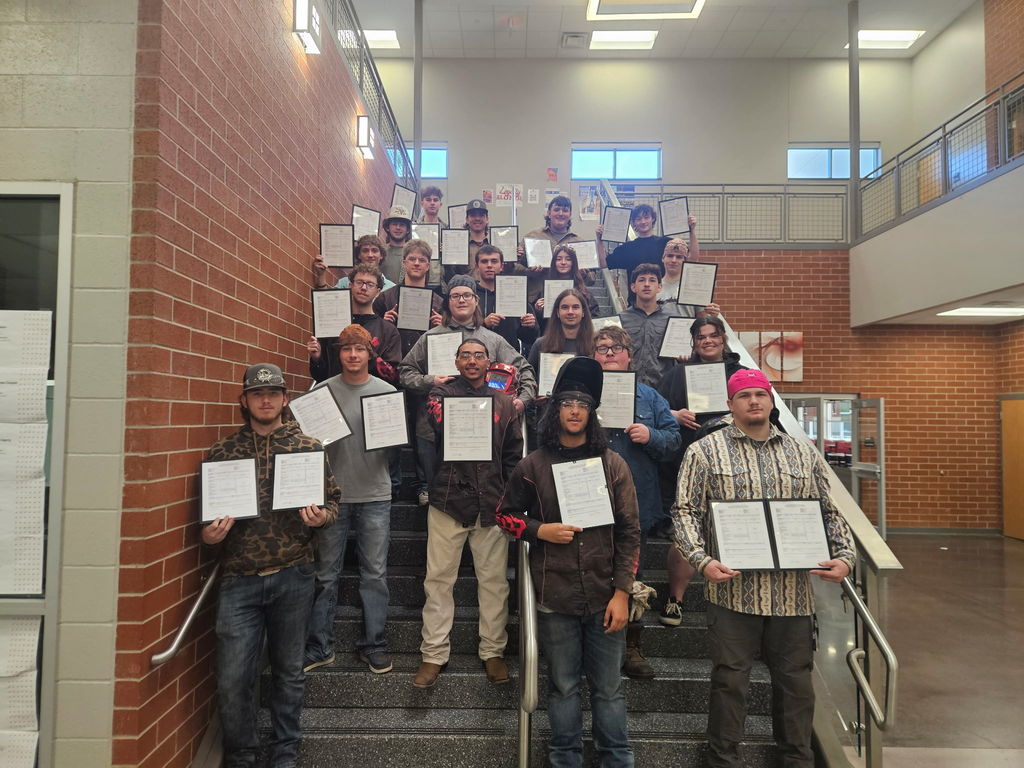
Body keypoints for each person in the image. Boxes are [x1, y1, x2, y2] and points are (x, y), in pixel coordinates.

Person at [673, 368, 857, 768]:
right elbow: (684, 511)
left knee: (795, 684)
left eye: (760, 394)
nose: (753, 401)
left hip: (792, 595)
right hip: (733, 591)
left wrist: (844, 555)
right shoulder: (704, 452)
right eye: (744, 396)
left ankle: (797, 759)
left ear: (771, 401)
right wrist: (701, 560)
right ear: (730, 404)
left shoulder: (801, 452)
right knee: (730, 681)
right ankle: (722, 758)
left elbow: (829, 510)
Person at [496, 356, 640, 768]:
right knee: (561, 687)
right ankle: (564, 758)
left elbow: (630, 533)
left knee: (609, 689)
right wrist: (539, 531)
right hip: (554, 596)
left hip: (603, 596)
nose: (575, 409)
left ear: (592, 412)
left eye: (582, 403)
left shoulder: (613, 465)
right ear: (555, 410)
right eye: (567, 402)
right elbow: (505, 515)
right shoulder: (532, 465)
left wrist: (622, 593)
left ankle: (616, 759)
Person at [201, 363, 340, 768]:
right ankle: (242, 753)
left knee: (289, 670)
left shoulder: (308, 447)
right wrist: (210, 537)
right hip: (238, 579)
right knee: (232, 678)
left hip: (293, 574)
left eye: (274, 393)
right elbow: (207, 522)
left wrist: (322, 519)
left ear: (285, 399)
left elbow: (333, 502)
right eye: (258, 394)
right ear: (244, 401)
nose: (266, 400)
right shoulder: (223, 452)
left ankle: (285, 751)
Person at [413, 339, 524, 688]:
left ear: (489, 361)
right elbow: (432, 438)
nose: (472, 361)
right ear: (456, 361)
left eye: (479, 355)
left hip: (491, 502)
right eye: (465, 355)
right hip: (449, 500)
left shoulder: (505, 403)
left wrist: (510, 497)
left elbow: (512, 455)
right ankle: (433, 654)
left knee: (494, 583)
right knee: (438, 581)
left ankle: (493, 652)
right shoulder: (440, 396)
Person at [399, 274, 537, 521]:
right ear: (448, 302)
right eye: (455, 296)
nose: (461, 300)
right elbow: (405, 372)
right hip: (434, 433)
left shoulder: (493, 340)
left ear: (476, 300)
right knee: (440, 500)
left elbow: (524, 369)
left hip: (485, 435)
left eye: (466, 295)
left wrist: (522, 400)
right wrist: (430, 380)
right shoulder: (430, 337)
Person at [304, 325, 395, 676]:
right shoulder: (321, 394)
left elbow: (393, 449)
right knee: (326, 575)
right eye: (346, 350)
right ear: (338, 354)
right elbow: (308, 447)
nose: (353, 355)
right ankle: (320, 646)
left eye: (359, 349)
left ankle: (374, 644)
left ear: (369, 353)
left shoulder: (386, 393)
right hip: (332, 500)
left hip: (375, 494)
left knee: (375, 574)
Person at [592, 325, 680, 679]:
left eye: (616, 347)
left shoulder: (650, 397)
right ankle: (591, 646)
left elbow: (673, 441)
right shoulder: (580, 396)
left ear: (629, 355)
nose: (609, 353)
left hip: (636, 504)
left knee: (633, 577)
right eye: (602, 348)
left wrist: (651, 435)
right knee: (588, 575)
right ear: (593, 356)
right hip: (589, 503)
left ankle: (631, 646)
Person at [654, 315, 743, 627]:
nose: (707, 341)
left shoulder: (742, 374)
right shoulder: (677, 373)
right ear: (693, 342)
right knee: (685, 530)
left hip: (732, 465)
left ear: (722, 338)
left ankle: (733, 604)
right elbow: (655, 407)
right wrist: (673, 414)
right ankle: (676, 600)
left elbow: (763, 411)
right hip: (685, 462)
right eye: (701, 336)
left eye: (713, 335)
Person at [373, 239, 445, 506]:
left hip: (424, 375)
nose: (416, 263)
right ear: (404, 264)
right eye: (412, 259)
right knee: (391, 430)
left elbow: (450, 337)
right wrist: (384, 322)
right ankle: (391, 484)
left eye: (422, 260)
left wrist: (441, 323)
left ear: (428, 266)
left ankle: (424, 485)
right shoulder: (386, 298)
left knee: (423, 432)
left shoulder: (438, 300)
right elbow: (372, 330)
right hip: (391, 372)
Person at [617, 263, 680, 389]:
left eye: (652, 280)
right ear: (633, 287)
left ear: (659, 287)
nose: (646, 284)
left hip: (663, 388)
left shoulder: (673, 320)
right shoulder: (620, 320)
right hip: (629, 387)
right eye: (641, 280)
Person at [596, 203, 670, 305]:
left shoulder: (665, 244)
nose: (643, 221)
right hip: (636, 305)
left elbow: (691, 258)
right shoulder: (627, 248)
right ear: (633, 222)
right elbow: (604, 264)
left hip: (662, 303)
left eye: (646, 217)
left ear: (652, 219)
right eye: (638, 219)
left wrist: (692, 231)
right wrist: (599, 241)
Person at [474, 244, 539, 353]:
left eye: (494, 261)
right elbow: (463, 329)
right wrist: (484, 323)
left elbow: (530, 338)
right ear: (477, 266)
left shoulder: (516, 293)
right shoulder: (469, 295)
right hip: (477, 356)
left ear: (502, 266)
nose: (489, 265)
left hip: (509, 357)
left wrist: (529, 326)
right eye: (484, 261)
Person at [518, 195, 582, 304]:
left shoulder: (579, 242)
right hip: (535, 300)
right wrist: (529, 272)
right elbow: (514, 267)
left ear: (570, 215)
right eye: (556, 209)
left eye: (565, 210)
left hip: (568, 302)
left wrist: (583, 274)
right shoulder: (532, 236)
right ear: (549, 213)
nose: (560, 213)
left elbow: (592, 279)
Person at [532, 244, 599, 331]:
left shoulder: (583, 291)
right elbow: (539, 325)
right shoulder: (546, 290)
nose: (563, 262)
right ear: (554, 263)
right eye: (558, 259)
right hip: (552, 337)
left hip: (578, 338)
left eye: (568, 259)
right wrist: (538, 311)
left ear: (573, 263)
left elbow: (595, 317)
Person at [313, 234, 396, 292]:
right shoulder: (345, 283)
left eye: (374, 251)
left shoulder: (392, 288)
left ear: (381, 255)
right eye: (365, 250)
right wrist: (321, 276)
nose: (370, 255)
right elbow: (328, 303)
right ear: (359, 255)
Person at [443, 198, 490, 285]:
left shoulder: (495, 244)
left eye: (481, 215)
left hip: (490, 292)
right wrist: (446, 257)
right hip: (466, 293)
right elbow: (450, 275)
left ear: (487, 219)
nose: (477, 218)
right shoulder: (458, 245)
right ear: (467, 219)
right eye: (473, 215)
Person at [381, 204, 413, 286]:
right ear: (388, 227)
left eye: (402, 225)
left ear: (408, 229)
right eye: (394, 224)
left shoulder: (413, 253)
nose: (398, 228)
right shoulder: (380, 252)